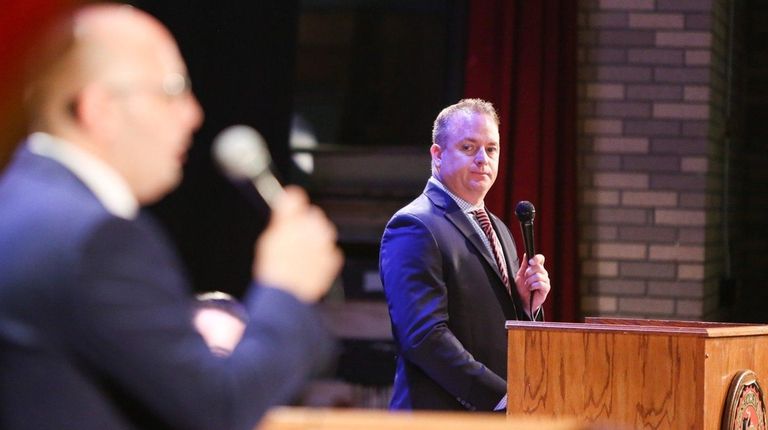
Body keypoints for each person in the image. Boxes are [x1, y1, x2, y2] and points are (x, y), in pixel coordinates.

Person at [0, 4, 342, 430]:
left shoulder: (22, 204)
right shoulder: (97, 240)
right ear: (100, 108)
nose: (194, 114)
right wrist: (288, 286)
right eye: (173, 90)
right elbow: (219, 411)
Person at [379, 98, 551, 411]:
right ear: (438, 155)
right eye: (469, 148)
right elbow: (424, 337)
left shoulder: (499, 229)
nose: (483, 160)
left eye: (491, 149)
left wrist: (527, 308)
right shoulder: (415, 225)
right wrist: (500, 398)